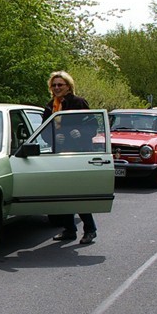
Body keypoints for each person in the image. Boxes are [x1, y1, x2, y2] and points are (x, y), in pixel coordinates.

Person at [42, 70, 98, 245]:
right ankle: (69, 230)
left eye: (60, 84)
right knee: (62, 192)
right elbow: (44, 132)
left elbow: (93, 127)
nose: (57, 87)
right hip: (59, 154)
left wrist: (80, 133)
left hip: (79, 153)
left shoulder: (79, 103)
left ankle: (90, 229)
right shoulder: (49, 106)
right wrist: (53, 138)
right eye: (54, 85)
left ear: (68, 86)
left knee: (78, 193)